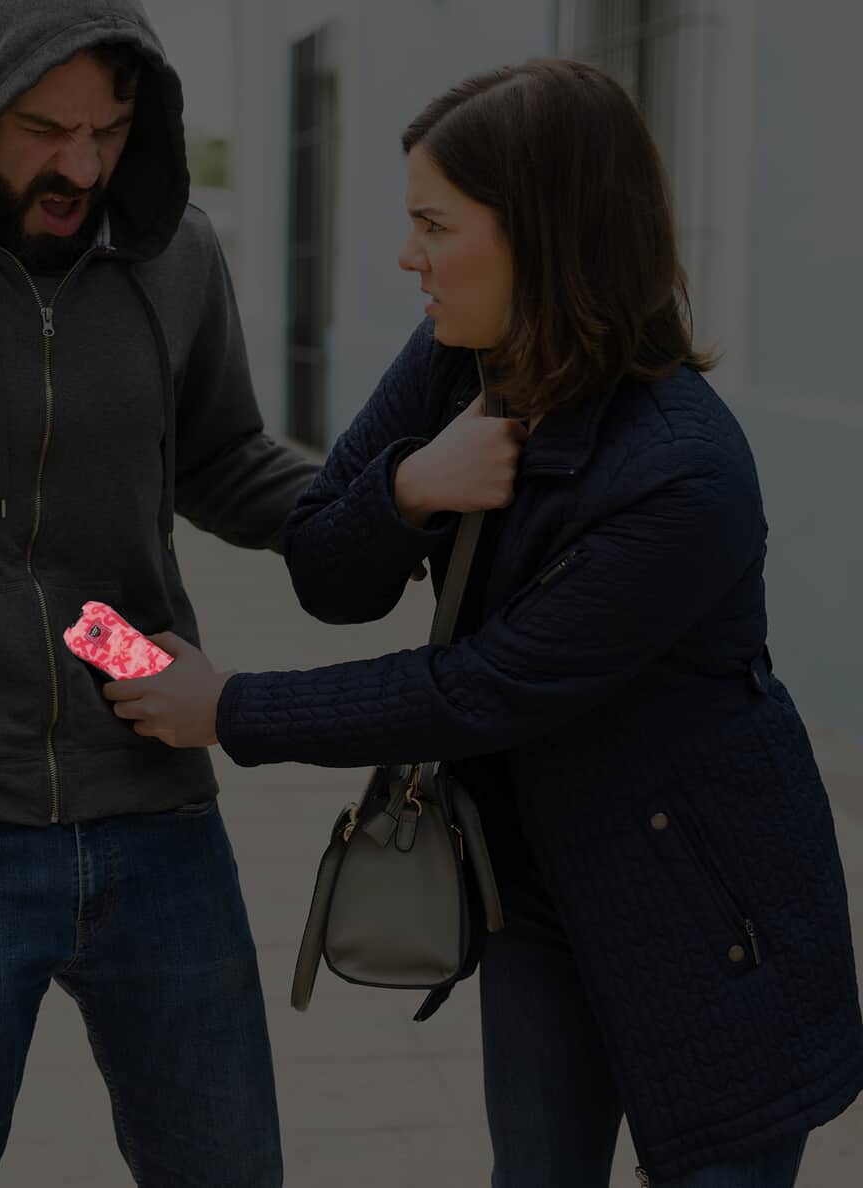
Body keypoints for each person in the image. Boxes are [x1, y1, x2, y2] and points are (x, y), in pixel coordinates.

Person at [0, 1, 514, 1182]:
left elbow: (221, 459)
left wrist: (395, 500)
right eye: (43, 128)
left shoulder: (174, 252)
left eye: (110, 129)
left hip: (156, 808)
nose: (81, 164)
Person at [104, 59, 863, 1187]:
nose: (407, 257)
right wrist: (413, 484)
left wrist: (229, 708)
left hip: (710, 909)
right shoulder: (461, 357)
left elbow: (480, 689)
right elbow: (325, 564)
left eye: (433, 225)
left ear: (545, 236)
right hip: (538, 882)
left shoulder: (685, 473)